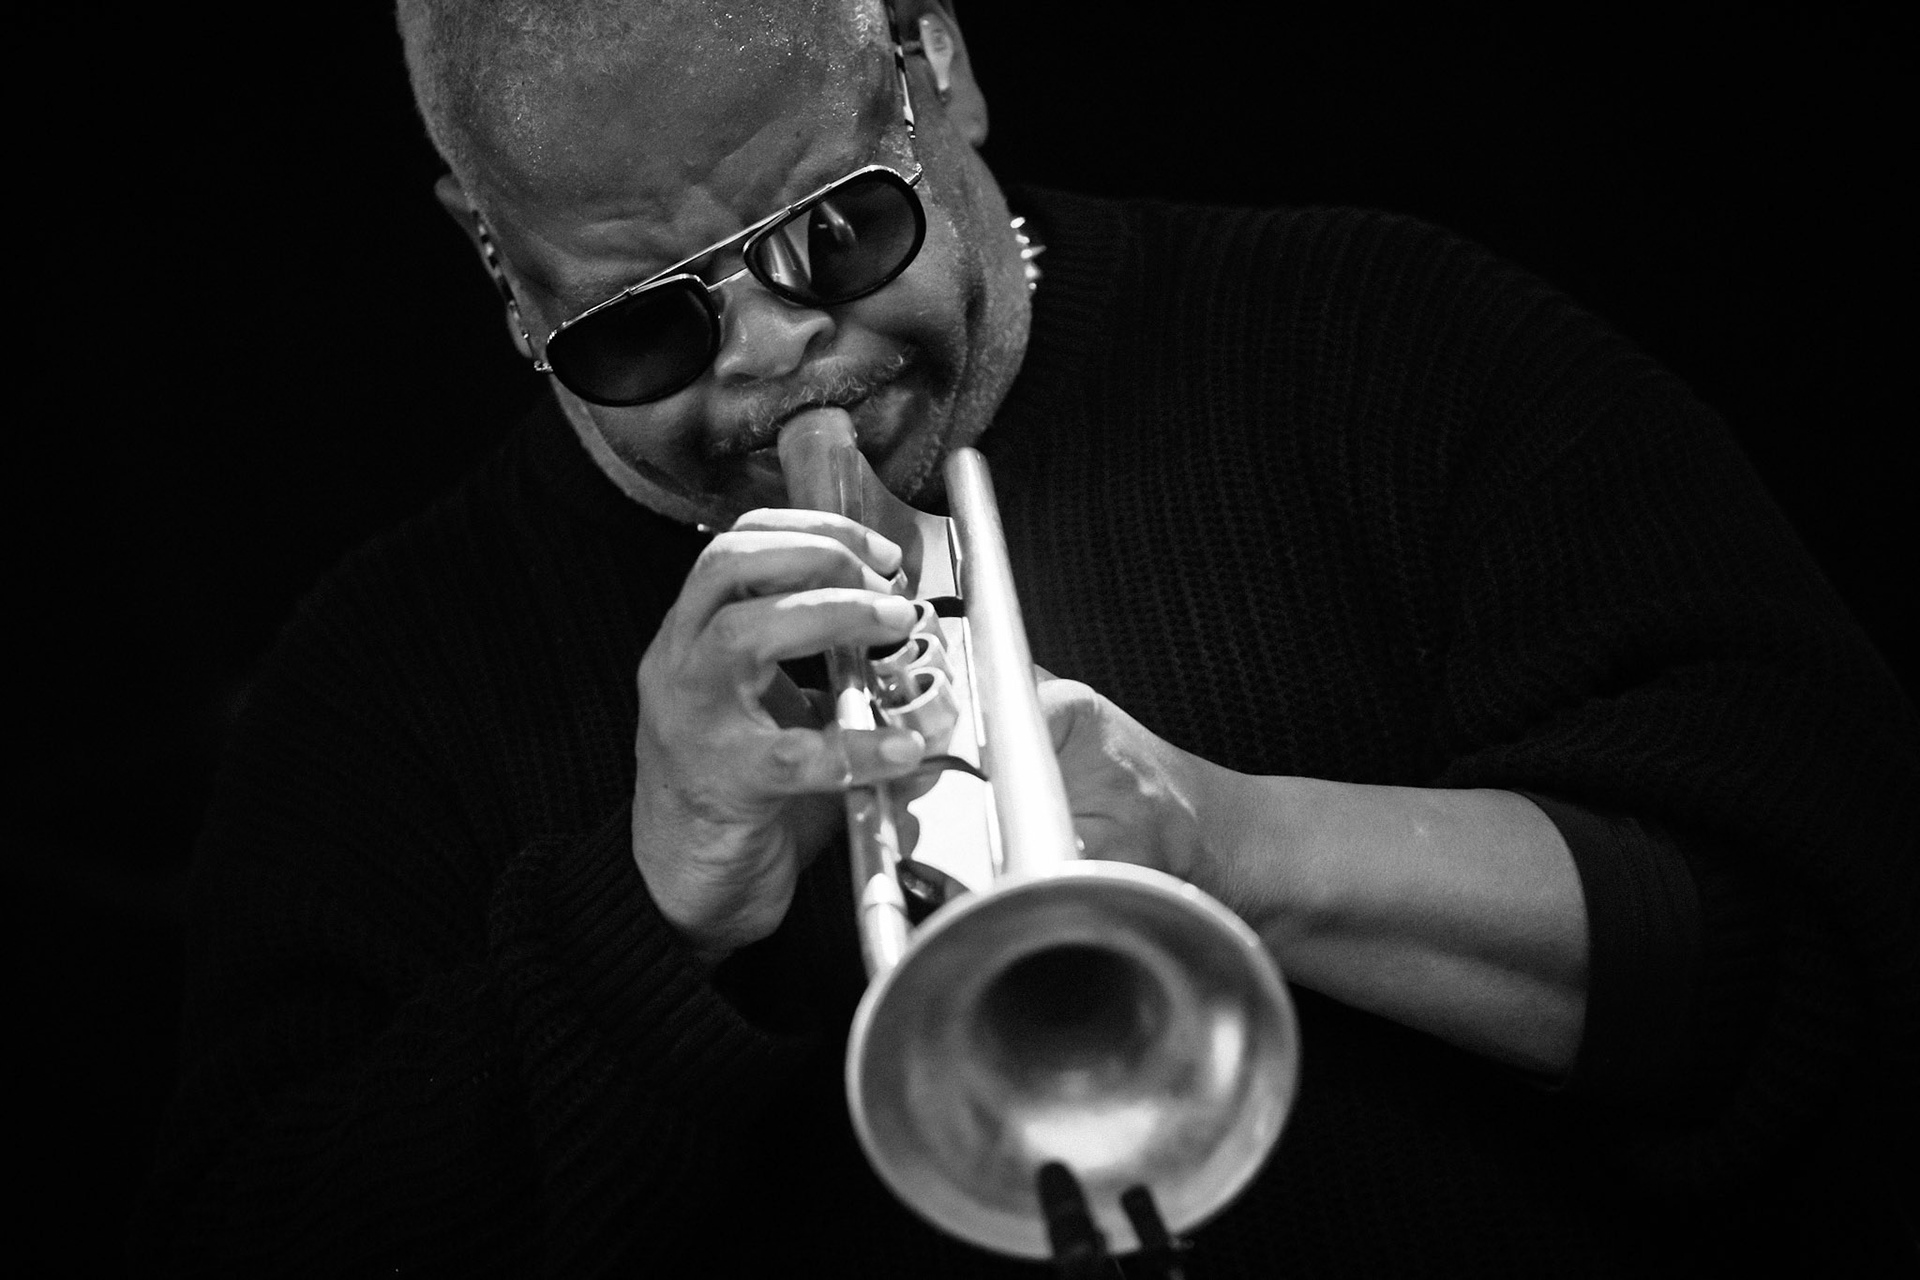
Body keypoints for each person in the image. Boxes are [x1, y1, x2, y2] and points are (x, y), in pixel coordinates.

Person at [132, 1, 1918, 1275]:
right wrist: (645, 913)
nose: (775, 358)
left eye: (838, 231)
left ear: (937, 62)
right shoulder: (381, 679)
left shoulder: (1384, 342)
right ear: (497, 263)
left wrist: (1234, 844)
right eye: (640, 328)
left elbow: (1821, 942)